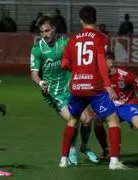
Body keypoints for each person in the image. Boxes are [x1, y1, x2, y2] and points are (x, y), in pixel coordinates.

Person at [61, 5, 129, 170]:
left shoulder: (73, 39)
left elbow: (64, 64)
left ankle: (63, 159)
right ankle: (114, 162)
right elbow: (100, 61)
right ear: (95, 19)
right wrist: (107, 85)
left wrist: (77, 71)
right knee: (113, 121)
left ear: (80, 20)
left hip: (76, 86)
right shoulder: (100, 37)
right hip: (94, 87)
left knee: (72, 120)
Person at [30, 15, 99, 166]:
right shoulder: (37, 49)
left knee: (87, 120)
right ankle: (72, 148)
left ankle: (84, 147)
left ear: (54, 29)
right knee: (72, 120)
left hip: (71, 88)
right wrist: (41, 82)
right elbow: (34, 74)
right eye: (42, 32)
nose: (45, 34)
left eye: (47, 30)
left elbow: (79, 58)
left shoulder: (65, 43)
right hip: (53, 93)